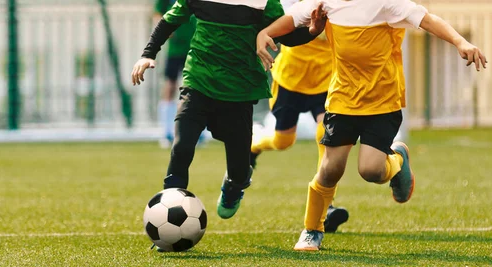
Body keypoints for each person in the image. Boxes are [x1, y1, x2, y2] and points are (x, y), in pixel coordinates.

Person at [256, 0, 487, 251]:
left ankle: (397, 161)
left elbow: (427, 19)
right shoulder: (325, 3)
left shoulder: (386, 3)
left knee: (371, 170)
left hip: (382, 101)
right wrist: (265, 33)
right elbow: (292, 19)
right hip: (342, 100)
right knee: (330, 169)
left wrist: (460, 42)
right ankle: (312, 230)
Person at [131, 0, 328, 225]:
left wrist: (312, 31)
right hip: (199, 80)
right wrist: (148, 54)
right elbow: (170, 20)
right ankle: (167, 214)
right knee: (182, 146)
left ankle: (235, 184)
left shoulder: (265, 2)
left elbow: (284, 34)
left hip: (239, 91)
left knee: (239, 168)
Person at [250, 0, 348, 234]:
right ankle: (253, 145)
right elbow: (284, 24)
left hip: (326, 77)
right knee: (283, 141)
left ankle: (327, 203)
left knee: (326, 132)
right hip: (290, 80)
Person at [153, 0, 205, 148]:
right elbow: (157, 14)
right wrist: (165, 30)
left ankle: (197, 132)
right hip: (176, 48)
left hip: (197, 45)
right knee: (170, 86)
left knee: (196, 87)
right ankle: (167, 131)